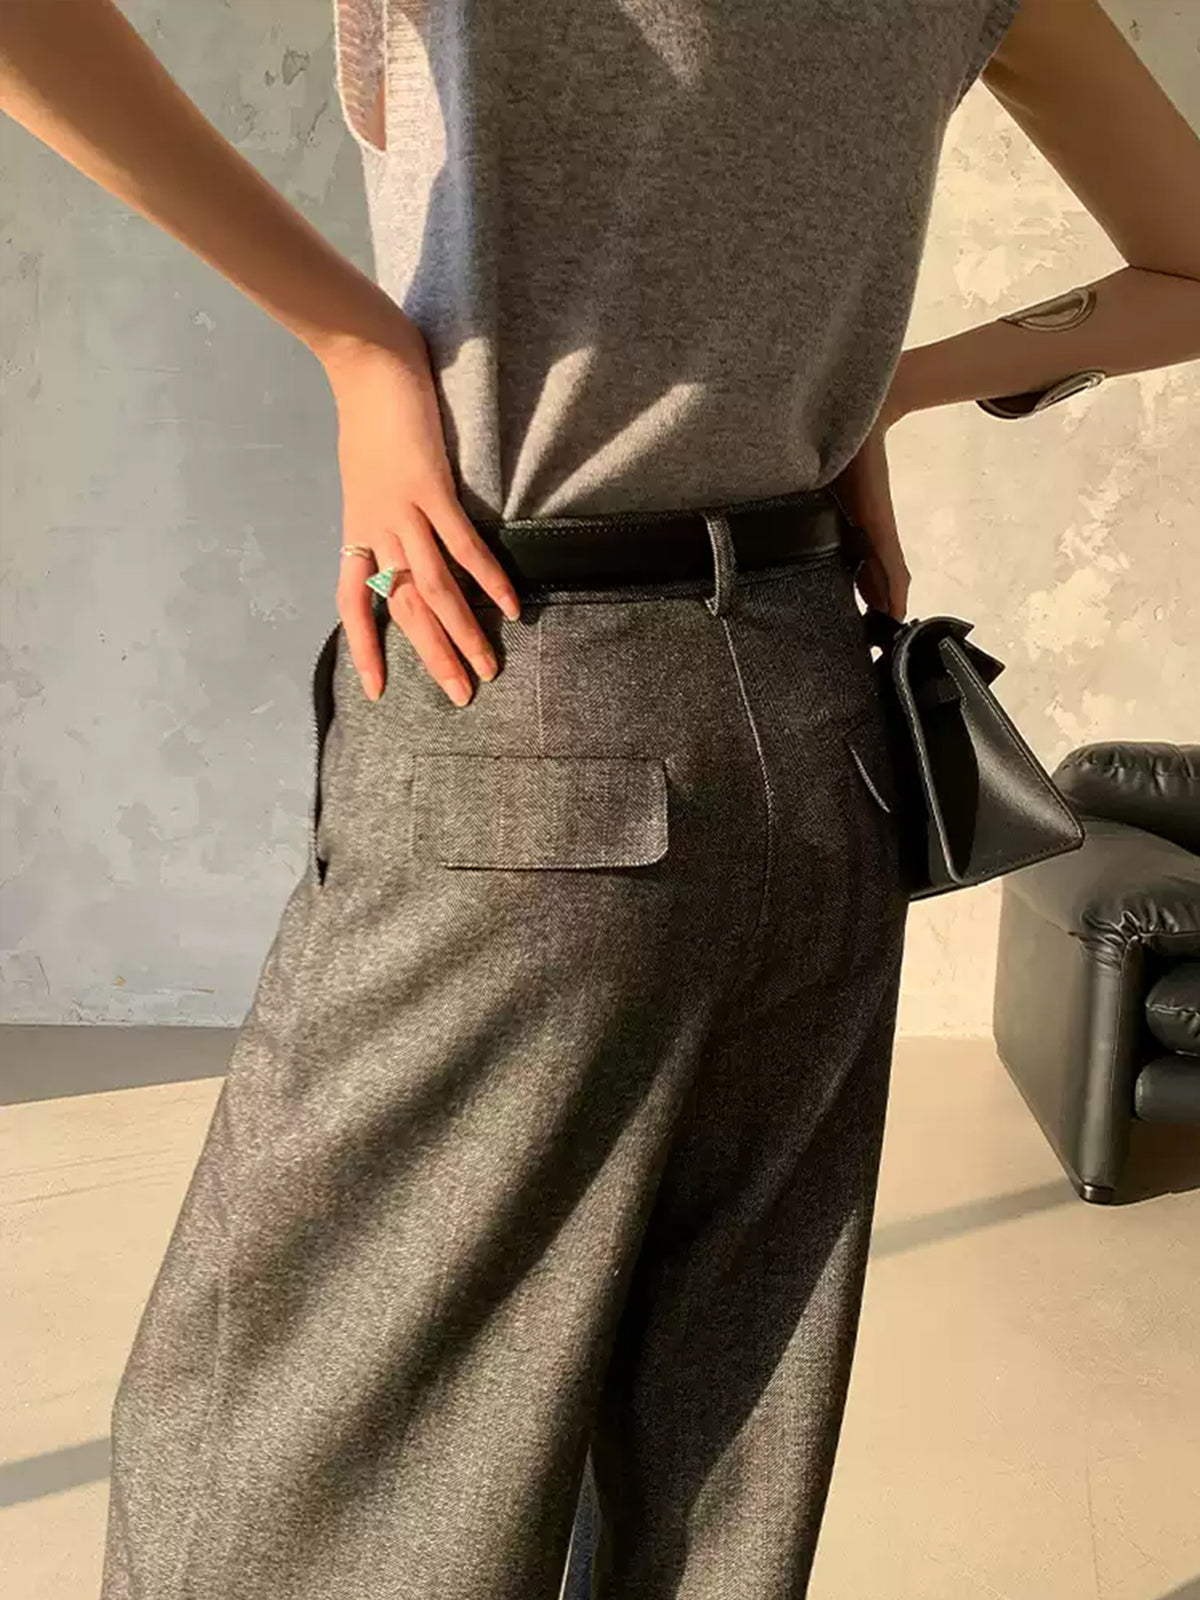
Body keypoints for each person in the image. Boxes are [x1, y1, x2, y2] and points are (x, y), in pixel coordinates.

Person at [3, 1, 1198, 1596]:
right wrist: (887, 391)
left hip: (522, 689)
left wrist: (356, 345)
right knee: (715, 1447)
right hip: (818, 720)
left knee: (298, 1469)